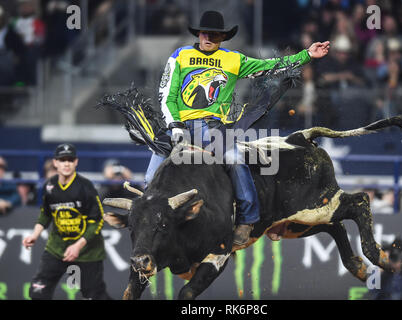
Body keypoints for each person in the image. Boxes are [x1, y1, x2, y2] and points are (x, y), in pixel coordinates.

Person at [145, 10, 330, 246]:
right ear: (199, 33)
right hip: (178, 125)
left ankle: (247, 220)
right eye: (205, 32)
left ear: (222, 37)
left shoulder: (233, 59)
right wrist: (175, 125)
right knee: (150, 178)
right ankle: (152, 221)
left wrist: (306, 55)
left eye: (214, 34)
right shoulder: (180, 55)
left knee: (234, 160)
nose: (208, 37)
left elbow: (270, 66)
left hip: (213, 129)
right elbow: (167, 95)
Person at [22, 143, 111, 300]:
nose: (66, 164)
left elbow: (97, 221)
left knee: (95, 296)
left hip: (87, 252)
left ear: (76, 162)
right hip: (57, 248)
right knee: (37, 291)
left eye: (70, 160)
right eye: (62, 160)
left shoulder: (86, 187)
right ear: (55, 163)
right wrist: (34, 234)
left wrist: (77, 246)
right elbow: (46, 213)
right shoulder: (50, 185)